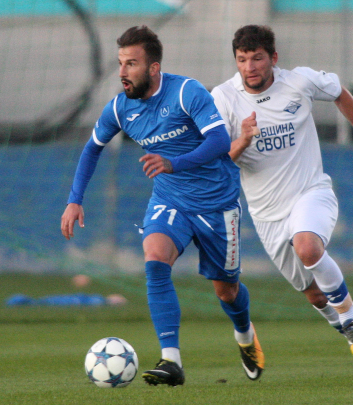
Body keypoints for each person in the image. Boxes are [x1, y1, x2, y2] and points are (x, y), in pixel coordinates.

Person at [60, 26, 264, 386]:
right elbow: (92, 149)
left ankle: (245, 333)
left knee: (227, 291)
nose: (122, 72)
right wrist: (74, 200)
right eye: (121, 63)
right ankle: (171, 361)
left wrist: (174, 163)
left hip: (217, 203)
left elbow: (219, 140)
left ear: (153, 68)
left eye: (131, 64)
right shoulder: (120, 108)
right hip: (170, 199)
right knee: (154, 260)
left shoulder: (186, 92)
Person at [211, 25, 353, 386]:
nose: (249, 67)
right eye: (242, 60)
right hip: (267, 214)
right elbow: (217, 160)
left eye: (257, 58)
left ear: (273, 58)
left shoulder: (299, 81)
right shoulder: (223, 98)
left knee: (307, 247)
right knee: (314, 293)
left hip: (310, 192)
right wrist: (243, 139)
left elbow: (340, 93)